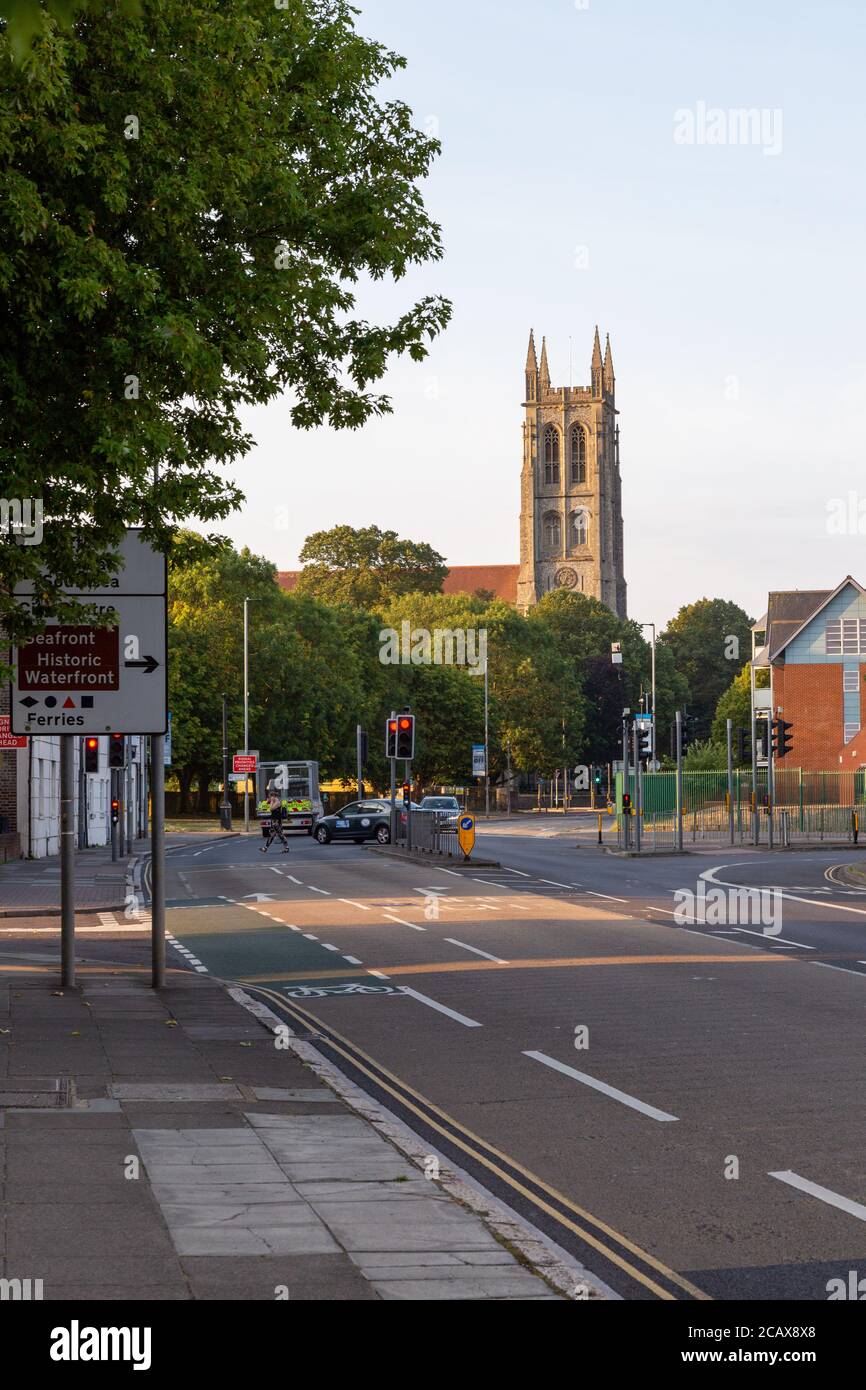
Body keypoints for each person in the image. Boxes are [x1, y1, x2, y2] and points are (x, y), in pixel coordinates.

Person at [260, 789, 289, 853]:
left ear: (273, 796)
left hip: (277, 821)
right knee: (272, 835)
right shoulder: (274, 801)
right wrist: (270, 801)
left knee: (280, 834)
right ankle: (265, 848)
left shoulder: (277, 802)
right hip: (274, 821)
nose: (270, 798)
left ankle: (286, 847)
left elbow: (271, 808)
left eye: (270, 797)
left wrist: (272, 801)